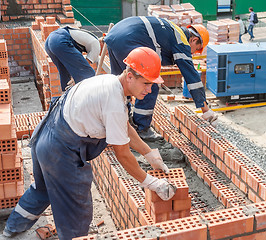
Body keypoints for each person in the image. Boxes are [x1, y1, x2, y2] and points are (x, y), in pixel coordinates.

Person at [2, 47, 176, 240]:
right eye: (146, 83)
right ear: (129, 76)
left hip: (46, 136)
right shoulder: (114, 103)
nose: (149, 89)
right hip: (61, 152)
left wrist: (149, 153)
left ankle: (11, 230)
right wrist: (151, 183)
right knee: (76, 209)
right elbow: (123, 155)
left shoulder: (110, 82)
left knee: (42, 189)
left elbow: (124, 127)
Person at [104, 16, 218, 141]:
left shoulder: (173, 29)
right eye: (196, 49)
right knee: (149, 85)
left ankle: (121, 120)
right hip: (128, 40)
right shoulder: (182, 42)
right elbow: (192, 77)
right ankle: (142, 129)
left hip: (114, 36)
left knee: (120, 84)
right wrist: (206, 110)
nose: (192, 54)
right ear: (194, 39)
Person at [45, 26, 101, 91]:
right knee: (88, 73)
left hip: (50, 41)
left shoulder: (88, 38)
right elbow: (82, 67)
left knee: (65, 74)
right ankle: (91, 98)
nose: (105, 54)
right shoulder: (97, 44)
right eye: (107, 53)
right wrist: (77, 76)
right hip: (61, 41)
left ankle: (65, 97)